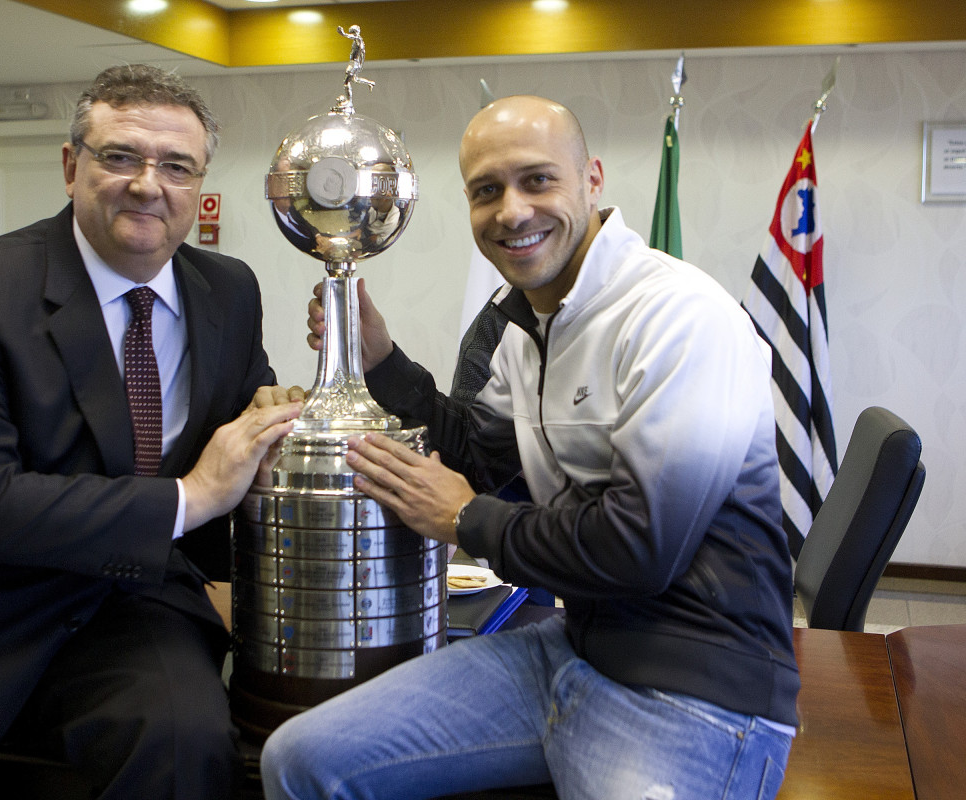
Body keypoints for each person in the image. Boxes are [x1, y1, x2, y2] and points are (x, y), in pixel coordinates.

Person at [259, 95, 799, 800]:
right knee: (300, 761)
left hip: (695, 686)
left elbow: (643, 547)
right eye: (487, 191)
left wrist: (464, 520)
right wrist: (383, 360)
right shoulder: (530, 325)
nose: (512, 211)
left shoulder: (679, 317)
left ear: (592, 178)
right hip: (571, 649)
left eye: (537, 180)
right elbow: (485, 462)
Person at [0, 64, 302, 800]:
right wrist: (191, 497)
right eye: (120, 157)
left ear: (198, 183)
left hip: (129, 604)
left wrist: (277, 444)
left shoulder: (228, 287)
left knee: (188, 744)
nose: (147, 184)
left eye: (175, 165)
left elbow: (241, 425)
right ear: (72, 167)